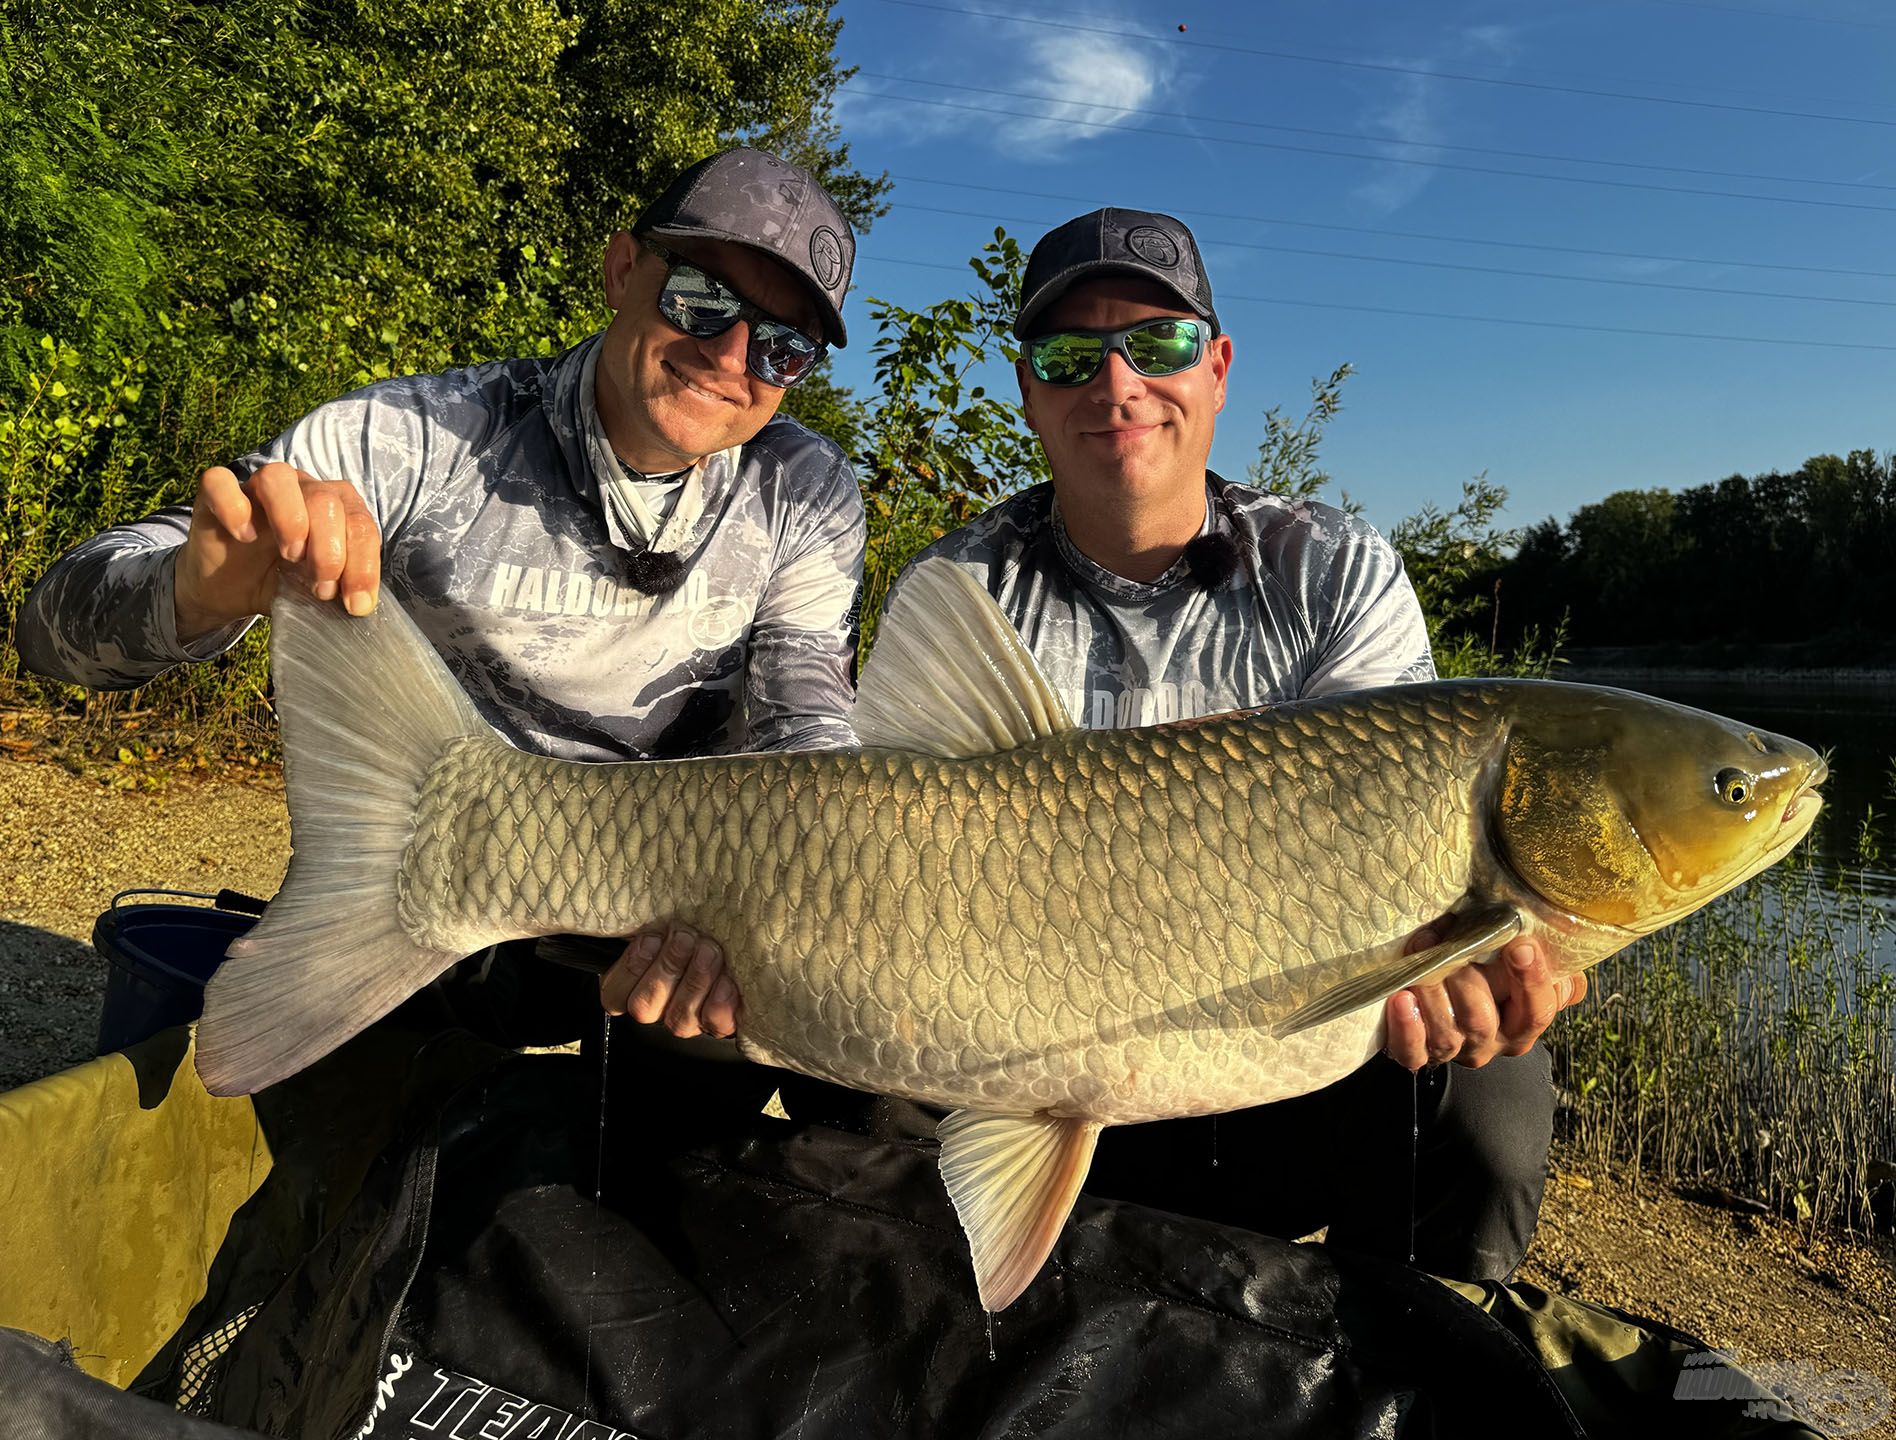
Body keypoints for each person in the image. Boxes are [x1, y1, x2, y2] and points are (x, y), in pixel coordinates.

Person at [631, 208, 1587, 1284]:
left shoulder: (1334, 571)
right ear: (1030, 391)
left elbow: (1392, 847)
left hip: (1253, 1075)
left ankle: (1391, 1378)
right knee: (786, 1046)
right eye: (1071, 356)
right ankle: (943, 1325)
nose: (1118, 383)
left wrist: (1485, 974)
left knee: (1488, 1094)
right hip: (979, 1051)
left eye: (1161, 344)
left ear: (1218, 369)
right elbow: (856, 829)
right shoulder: (961, 585)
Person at [17, 147, 866, 1036]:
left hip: (673, 930)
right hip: (416, 888)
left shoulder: (804, 489)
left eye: (784, 345)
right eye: (703, 297)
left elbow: (806, 720)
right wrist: (193, 596)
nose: (732, 355)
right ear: (622, 270)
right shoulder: (424, 437)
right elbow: (50, 627)